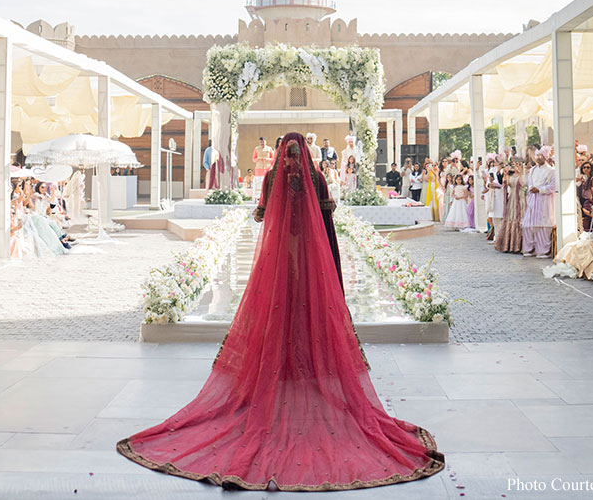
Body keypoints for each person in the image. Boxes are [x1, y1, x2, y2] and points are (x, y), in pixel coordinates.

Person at [117, 133, 444, 490]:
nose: (290, 160)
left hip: (282, 264)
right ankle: (300, 368)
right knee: (301, 313)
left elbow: (262, 217)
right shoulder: (313, 176)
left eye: (291, 154)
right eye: (289, 154)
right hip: (306, 263)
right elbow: (325, 222)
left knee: (283, 313)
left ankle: (286, 367)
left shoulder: (279, 177)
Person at [522, 146, 556, 258]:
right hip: (533, 200)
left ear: (546, 157)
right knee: (528, 225)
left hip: (545, 200)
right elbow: (530, 183)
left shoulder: (551, 171)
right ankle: (529, 249)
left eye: (541, 155)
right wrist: (532, 188)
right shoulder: (532, 170)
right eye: (537, 155)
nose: (539, 158)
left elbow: (552, 187)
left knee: (543, 225)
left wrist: (540, 190)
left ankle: (543, 251)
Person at [495, 161, 526, 253]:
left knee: (520, 217)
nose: (515, 166)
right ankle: (510, 244)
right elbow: (506, 184)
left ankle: (521, 245)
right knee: (511, 217)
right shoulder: (510, 175)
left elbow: (524, 185)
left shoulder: (523, 175)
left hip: (521, 198)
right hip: (512, 197)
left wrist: (521, 173)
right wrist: (504, 174)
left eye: (517, 164)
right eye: (514, 164)